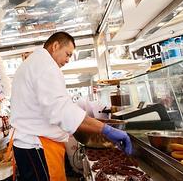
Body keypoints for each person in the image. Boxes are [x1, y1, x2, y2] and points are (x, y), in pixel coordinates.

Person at [11, 32, 132, 181]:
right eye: (67, 54)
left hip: (33, 144)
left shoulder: (35, 63)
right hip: (37, 146)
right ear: (55, 46)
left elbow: (55, 105)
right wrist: (106, 129)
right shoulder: (45, 65)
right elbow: (62, 111)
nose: (68, 60)